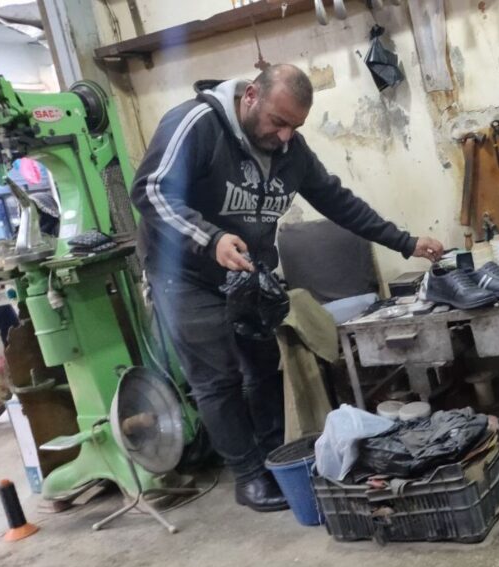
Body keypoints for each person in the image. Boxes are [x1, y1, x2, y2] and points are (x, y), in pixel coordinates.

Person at [131, 65, 443, 512]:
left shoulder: (289, 150)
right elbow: (151, 190)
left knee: (261, 366)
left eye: (293, 127)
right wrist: (210, 238)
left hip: (245, 272)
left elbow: (337, 201)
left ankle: (276, 461)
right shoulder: (196, 123)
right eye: (278, 122)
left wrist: (406, 241)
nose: (283, 136)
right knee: (216, 378)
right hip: (183, 272)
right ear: (252, 95)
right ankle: (248, 475)